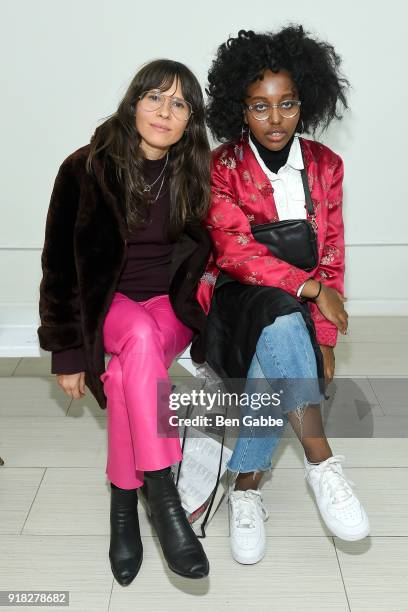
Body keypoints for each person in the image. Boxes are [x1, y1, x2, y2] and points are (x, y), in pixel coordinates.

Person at [196, 26, 369, 564]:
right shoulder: (220, 168)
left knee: (285, 341)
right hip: (236, 299)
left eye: (287, 104)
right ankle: (321, 461)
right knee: (277, 316)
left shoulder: (325, 165)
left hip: (294, 307)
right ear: (239, 110)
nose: (275, 119)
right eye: (259, 106)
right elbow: (234, 252)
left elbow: (331, 253)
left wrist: (324, 337)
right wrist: (313, 290)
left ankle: (245, 488)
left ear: (305, 102)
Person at [37, 59, 212, 585]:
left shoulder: (195, 173)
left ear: (190, 120)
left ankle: (123, 501)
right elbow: (58, 264)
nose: (164, 111)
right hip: (109, 306)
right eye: (155, 96)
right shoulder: (83, 168)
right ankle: (162, 494)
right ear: (133, 101)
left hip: (170, 308)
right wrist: (67, 353)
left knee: (128, 370)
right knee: (134, 337)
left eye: (179, 103)